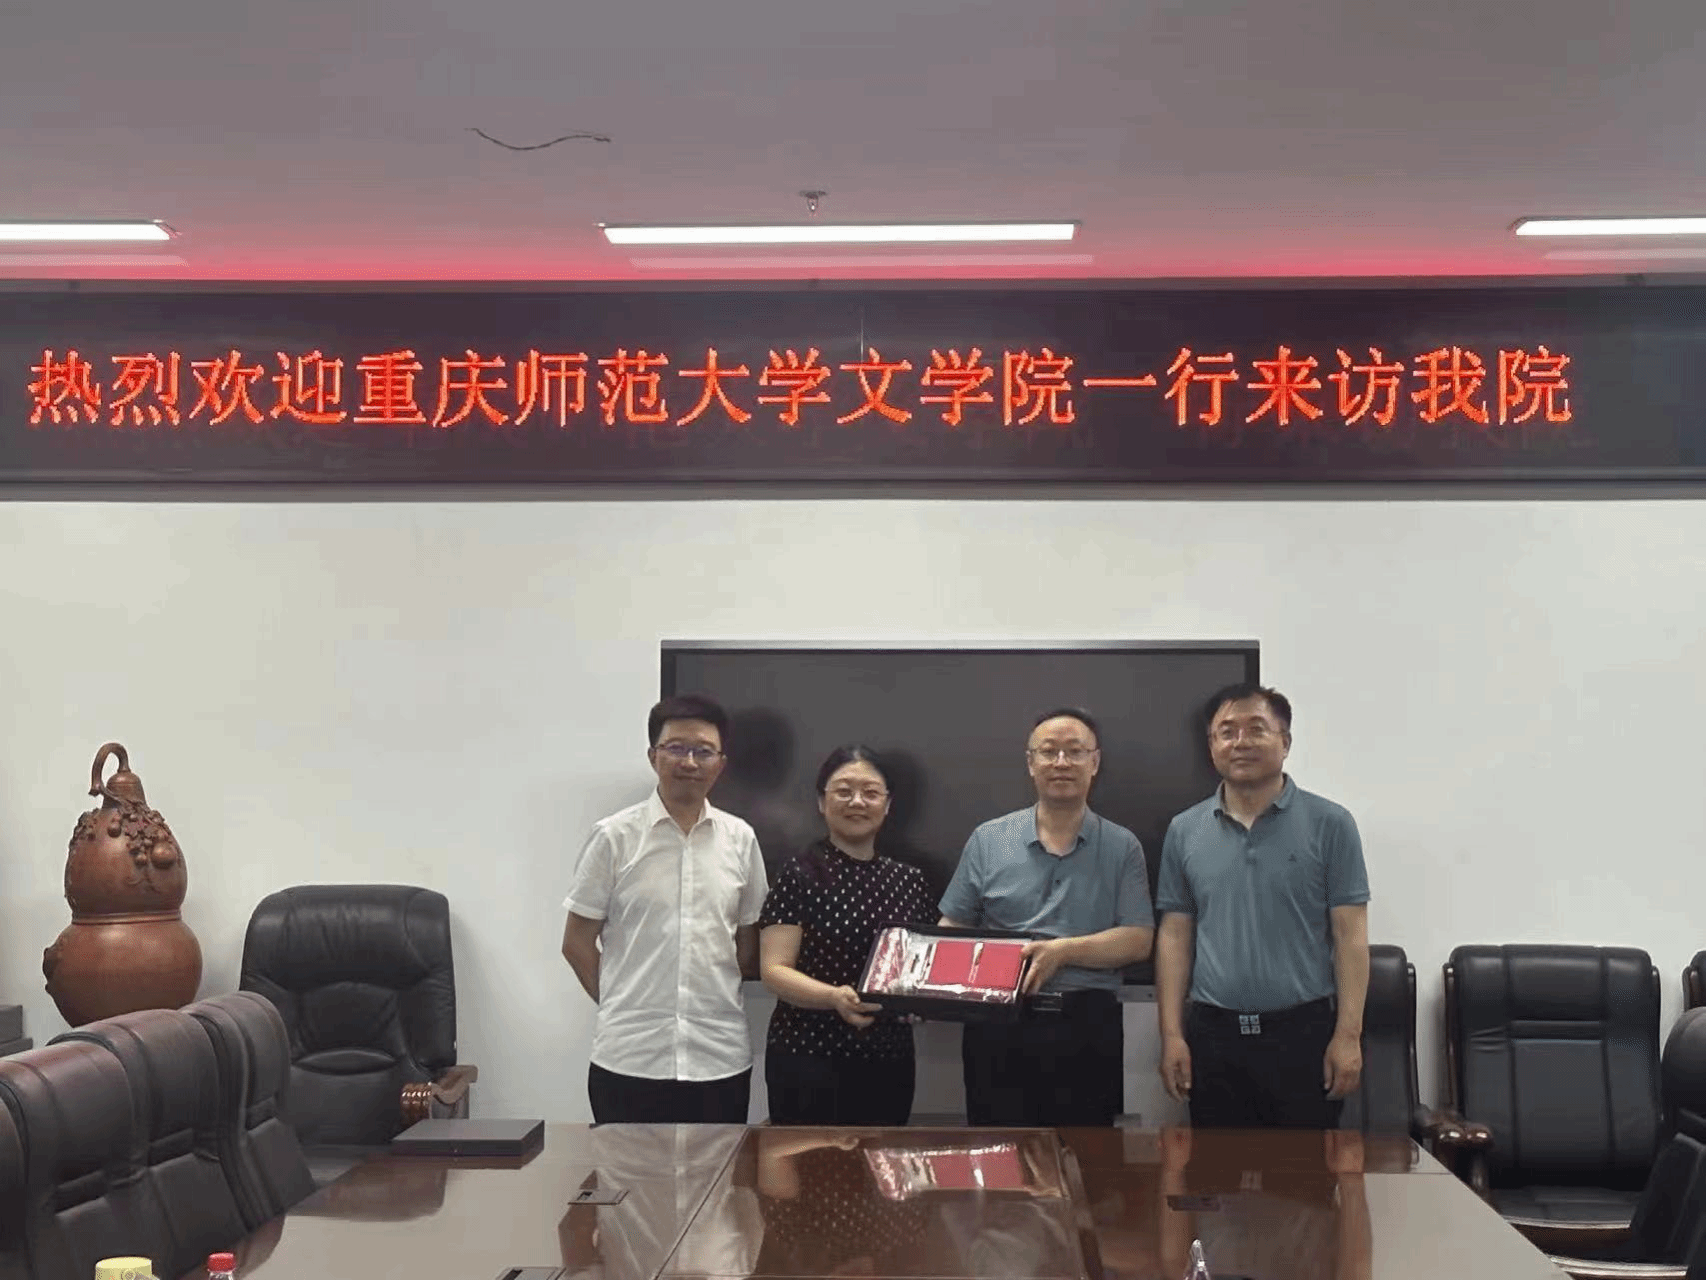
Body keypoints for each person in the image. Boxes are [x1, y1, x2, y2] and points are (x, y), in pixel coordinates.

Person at [1154, 682, 1371, 1129]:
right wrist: (1171, 1035)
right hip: (1212, 1035)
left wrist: (1348, 1036)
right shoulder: (1184, 830)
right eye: (1227, 731)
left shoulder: (1331, 824)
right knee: (1216, 1167)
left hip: (1303, 1034)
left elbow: (1350, 937)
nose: (1241, 742)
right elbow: (1175, 937)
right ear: (1211, 745)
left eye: (1256, 729)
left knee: (1305, 1170)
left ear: (1285, 742)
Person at [939, 707, 1154, 1127]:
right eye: (1049, 751)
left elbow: (1138, 939)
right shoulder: (989, 839)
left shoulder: (1122, 845)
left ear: (1095, 762)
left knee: (1087, 1158)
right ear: (1030, 762)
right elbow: (953, 928)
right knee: (997, 1152)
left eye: (1074, 751)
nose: (1061, 762)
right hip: (998, 1022)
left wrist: (1061, 953)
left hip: (1087, 1024)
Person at [561, 694, 768, 1123]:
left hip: (719, 1058)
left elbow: (748, 945)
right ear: (653, 756)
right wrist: (620, 1004)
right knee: (626, 1168)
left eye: (703, 751)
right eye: (676, 748)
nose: (689, 762)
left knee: (717, 1168)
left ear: (720, 764)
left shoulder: (741, 840)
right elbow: (576, 943)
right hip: (629, 1058)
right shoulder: (614, 837)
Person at [757, 745, 938, 1125]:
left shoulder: (910, 880)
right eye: (843, 791)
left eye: (870, 792)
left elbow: (923, 966)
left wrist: (924, 1002)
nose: (857, 802)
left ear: (888, 805)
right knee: (808, 1163)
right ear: (821, 802)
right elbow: (774, 970)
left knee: (882, 1161)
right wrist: (833, 997)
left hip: (889, 1058)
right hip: (808, 1057)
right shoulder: (799, 874)